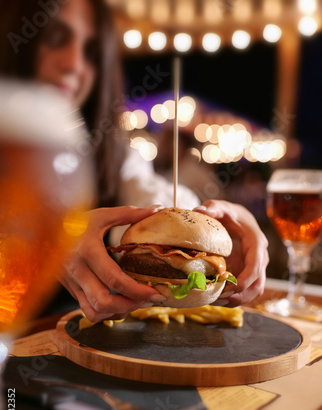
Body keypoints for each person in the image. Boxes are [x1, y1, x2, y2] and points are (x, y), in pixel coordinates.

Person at [0, 0, 269, 322]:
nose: (74, 63)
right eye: (55, 38)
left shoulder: (111, 149)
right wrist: (52, 244)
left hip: (61, 342)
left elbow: (147, 198)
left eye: (92, 51)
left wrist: (213, 229)